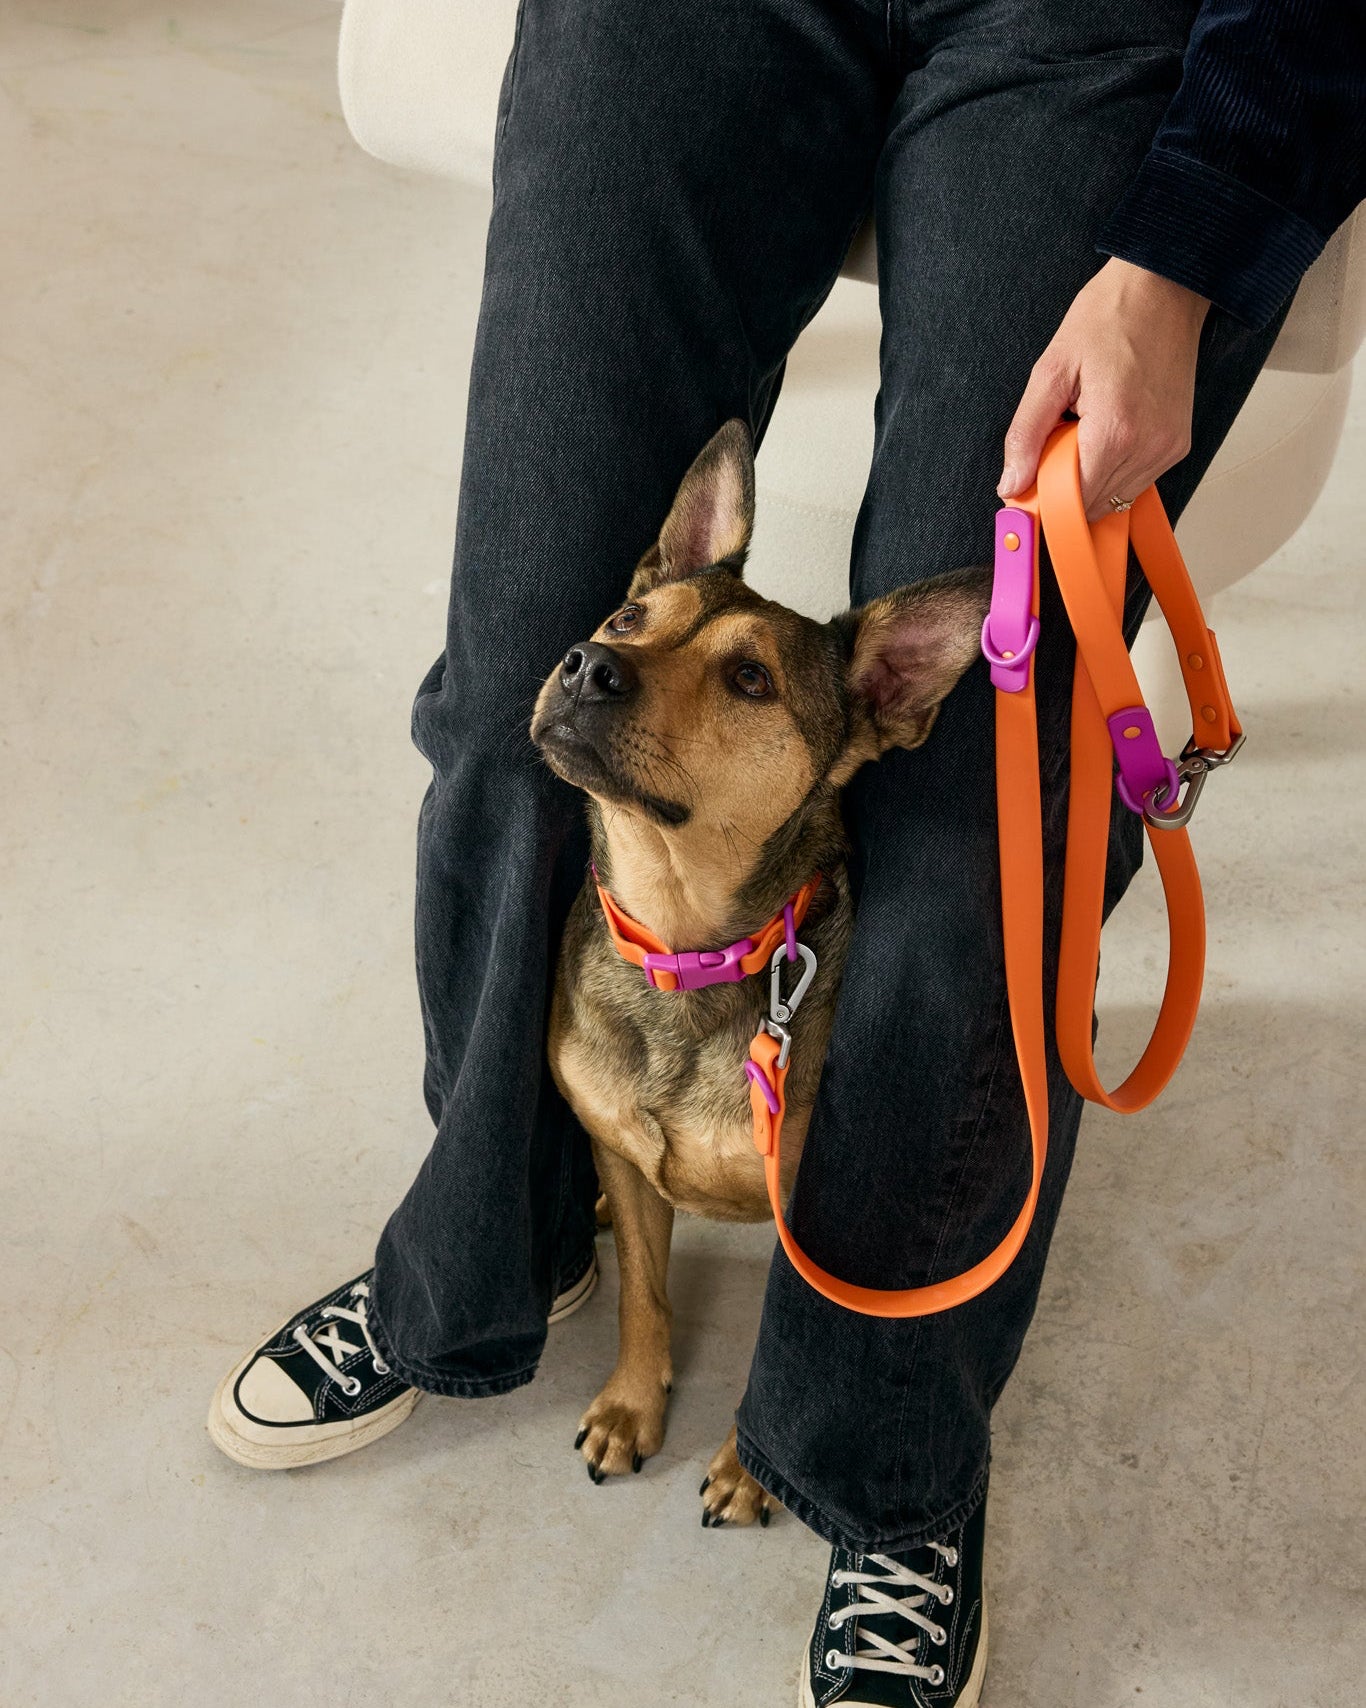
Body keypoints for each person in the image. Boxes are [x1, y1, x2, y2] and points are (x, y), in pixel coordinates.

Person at [209, 2, 1366, 1700]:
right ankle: (492, 1237)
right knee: (519, 692)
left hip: (1090, 28)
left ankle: (882, 1447)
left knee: (976, 822)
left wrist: (1184, 246)